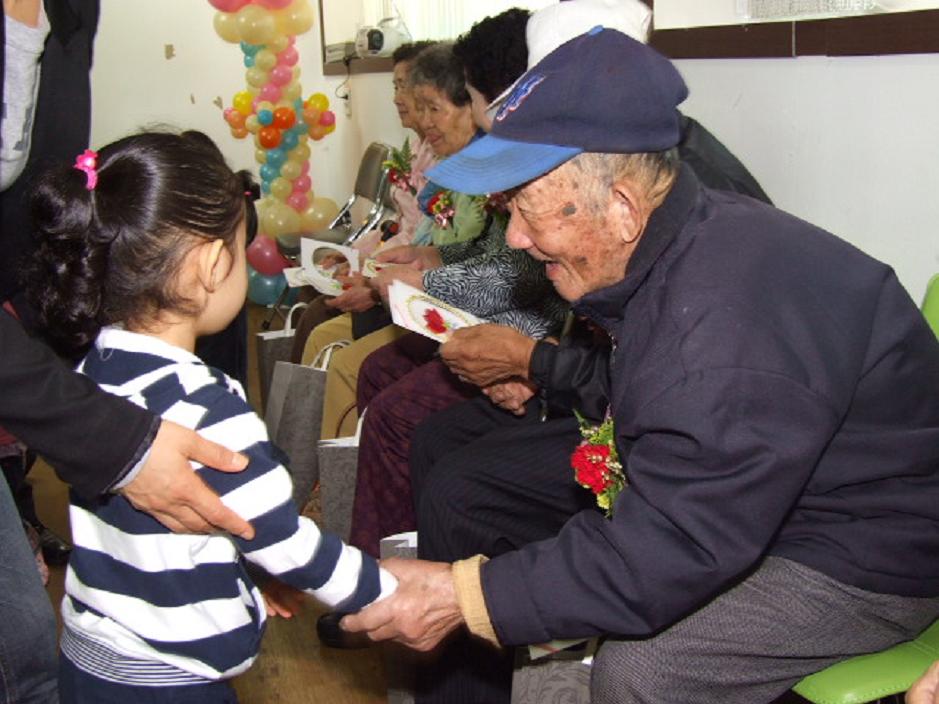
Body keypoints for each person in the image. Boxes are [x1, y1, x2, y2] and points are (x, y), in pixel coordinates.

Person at [342, 27, 939, 704]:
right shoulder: (681, 238)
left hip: (863, 553)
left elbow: (679, 539)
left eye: (528, 210)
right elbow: (648, 393)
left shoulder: (719, 323)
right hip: (760, 503)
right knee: (470, 486)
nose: (514, 236)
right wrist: (544, 368)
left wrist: (467, 596)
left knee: (646, 673)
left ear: (621, 208)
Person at [27, 130, 397, 702]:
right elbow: (280, 540)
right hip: (174, 681)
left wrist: (242, 570)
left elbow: (160, 529)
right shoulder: (208, 406)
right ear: (210, 263)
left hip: (90, 657)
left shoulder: (87, 375)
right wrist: (386, 591)